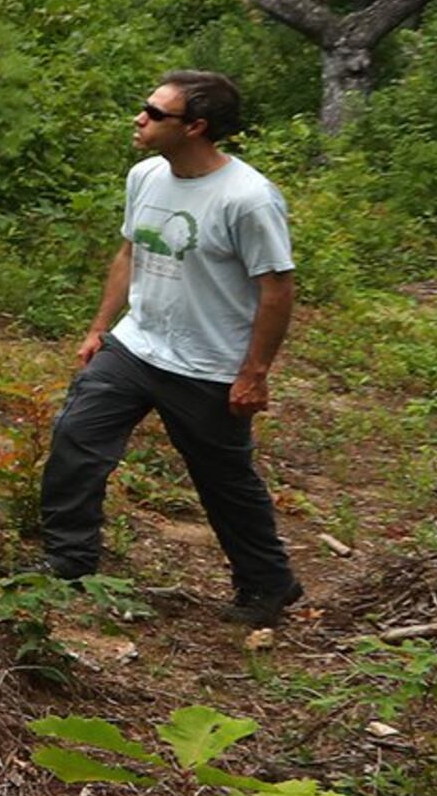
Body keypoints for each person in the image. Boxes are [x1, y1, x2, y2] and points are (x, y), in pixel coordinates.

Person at [39, 70, 305, 624]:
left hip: (208, 364)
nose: (140, 118)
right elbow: (129, 253)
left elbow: (277, 287)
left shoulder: (249, 199)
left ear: (196, 127)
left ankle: (267, 585)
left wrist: (255, 372)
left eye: (156, 113)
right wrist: (99, 328)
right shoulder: (145, 177)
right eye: (146, 108)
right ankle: (69, 559)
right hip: (137, 346)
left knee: (223, 480)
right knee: (77, 434)